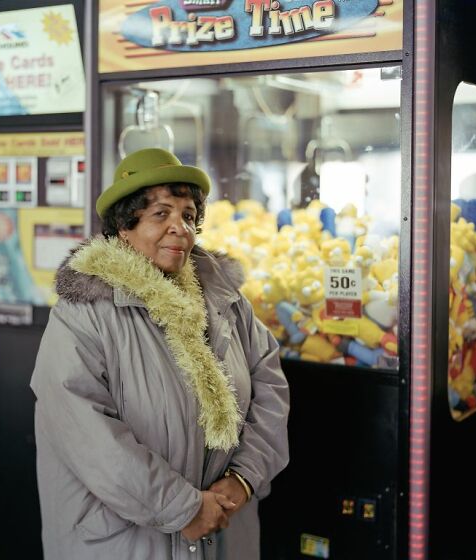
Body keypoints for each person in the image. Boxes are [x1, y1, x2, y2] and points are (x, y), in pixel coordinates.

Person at [31, 148, 290, 559]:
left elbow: (269, 387)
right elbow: (89, 439)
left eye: (188, 215)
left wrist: (243, 478)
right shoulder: (82, 315)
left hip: (222, 534)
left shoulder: (225, 300)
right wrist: (183, 508)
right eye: (160, 214)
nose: (180, 229)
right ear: (123, 227)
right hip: (123, 543)